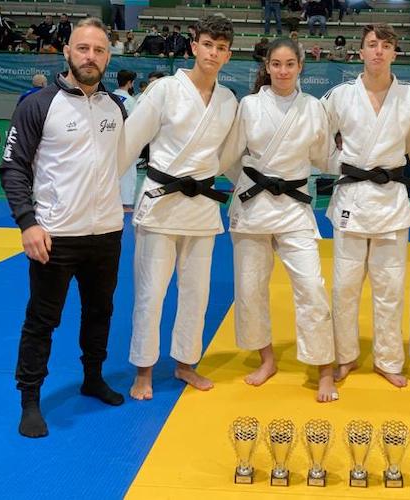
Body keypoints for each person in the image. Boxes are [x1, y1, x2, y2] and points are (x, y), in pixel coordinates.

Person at [0, 17, 127, 438]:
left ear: (109, 56)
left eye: (100, 50)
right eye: (83, 48)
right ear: (68, 52)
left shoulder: (116, 107)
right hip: (54, 235)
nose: (91, 57)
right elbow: (13, 167)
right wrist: (27, 223)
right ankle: (30, 398)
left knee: (100, 311)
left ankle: (93, 377)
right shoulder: (38, 104)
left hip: (106, 232)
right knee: (42, 319)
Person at [122, 15, 238, 401]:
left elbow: (230, 155)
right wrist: (102, 191)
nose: (214, 53)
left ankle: (186, 363)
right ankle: (143, 370)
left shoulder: (227, 100)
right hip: (160, 204)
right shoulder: (165, 90)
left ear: (228, 54)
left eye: (221, 48)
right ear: (194, 47)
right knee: (151, 292)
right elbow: (129, 142)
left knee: (196, 292)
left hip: (202, 206)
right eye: (208, 44)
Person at [219, 38, 337, 402]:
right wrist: (251, 182)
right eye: (276, 64)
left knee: (312, 287)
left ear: (301, 66)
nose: (283, 71)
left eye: (290, 64)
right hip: (253, 207)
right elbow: (228, 156)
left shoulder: (314, 108)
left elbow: (325, 158)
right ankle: (266, 358)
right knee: (251, 288)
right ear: (266, 67)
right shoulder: (249, 105)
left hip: (294, 207)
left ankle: (324, 369)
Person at [321, 23, 410, 387]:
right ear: (360, 53)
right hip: (352, 197)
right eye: (371, 45)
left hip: (392, 201)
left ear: (396, 53)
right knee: (344, 286)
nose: (378, 51)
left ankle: (388, 360)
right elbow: (320, 139)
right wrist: (340, 165)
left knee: (390, 287)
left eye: (386, 45)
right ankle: (344, 356)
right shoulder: (339, 96)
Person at [114, 69, 138, 209]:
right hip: (126, 141)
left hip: (111, 141)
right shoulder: (130, 101)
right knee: (128, 173)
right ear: (129, 83)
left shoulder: (110, 97)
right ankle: (126, 203)